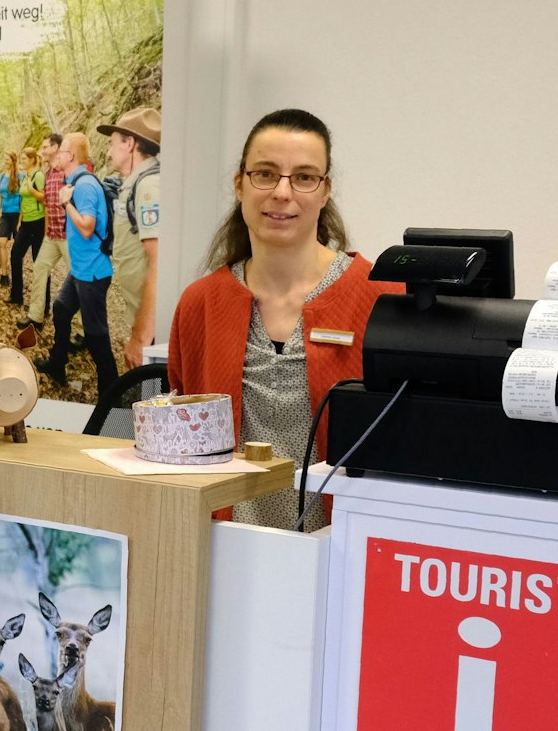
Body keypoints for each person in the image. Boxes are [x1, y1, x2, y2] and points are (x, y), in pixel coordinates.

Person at [168, 108, 403, 530]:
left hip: (344, 547)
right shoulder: (200, 304)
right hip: (223, 544)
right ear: (239, 184)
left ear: (325, 190)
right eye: (265, 173)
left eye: (304, 177)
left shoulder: (382, 299)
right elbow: (182, 444)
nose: (282, 192)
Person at [38, 133, 117, 394]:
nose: (56, 156)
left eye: (60, 152)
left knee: (96, 336)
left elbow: (86, 227)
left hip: (93, 273)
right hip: (81, 270)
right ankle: (57, 362)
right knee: (61, 308)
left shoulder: (83, 186)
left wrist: (65, 203)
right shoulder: (76, 182)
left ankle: (112, 395)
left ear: (70, 156)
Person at [98, 108, 163, 373]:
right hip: (145, 317)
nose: (109, 151)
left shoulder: (148, 187)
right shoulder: (135, 182)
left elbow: (159, 262)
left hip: (154, 329)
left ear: (130, 143)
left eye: (113, 142)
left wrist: (140, 338)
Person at [24, 133, 67, 327]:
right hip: (52, 235)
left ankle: (83, 331)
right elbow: (49, 204)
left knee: (79, 279)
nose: (42, 151)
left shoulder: (67, 172)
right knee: (40, 268)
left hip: (68, 236)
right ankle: (35, 316)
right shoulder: (48, 173)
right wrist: (47, 229)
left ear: (57, 147)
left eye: (46, 147)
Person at [8, 147, 45, 306]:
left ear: (32, 160)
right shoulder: (25, 176)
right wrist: (19, 221)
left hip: (38, 223)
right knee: (15, 255)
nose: (21, 161)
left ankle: (43, 306)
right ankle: (17, 296)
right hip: (25, 223)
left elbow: (44, 198)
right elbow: (23, 199)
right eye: (21, 158)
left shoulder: (39, 175)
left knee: (39, 263)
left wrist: (32, 190)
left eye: (24, 159)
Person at [0, 152, 21, 284]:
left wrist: (21, 219)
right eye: (4, 159)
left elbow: (23, 197)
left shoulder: (20, 176)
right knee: (1, 242)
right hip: (5, 214)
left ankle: (17, 276)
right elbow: (0, 195)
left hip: (17, 214)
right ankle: (4, 274)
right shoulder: (2, 177)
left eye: (7, 159)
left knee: (17, 248)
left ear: (13, 160)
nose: (5, 161)